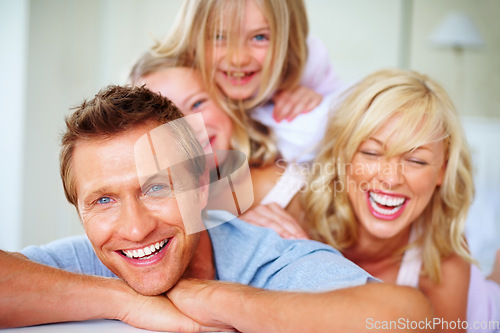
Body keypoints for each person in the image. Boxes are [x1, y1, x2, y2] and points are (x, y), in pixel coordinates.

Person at [0, 85, 433, 332]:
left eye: (156, 188)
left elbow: (407, 319)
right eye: (103, 200)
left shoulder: (272, 261)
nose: (134, 230)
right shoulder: (86, 262)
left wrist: (208, 295)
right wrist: (122, 299)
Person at [298, 69, 500, 330]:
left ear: (441, 172)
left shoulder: (443, 258)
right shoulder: (298, 212)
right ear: (343, 158)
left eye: (416, 160)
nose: (391, 178)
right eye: (372, 153)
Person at [130, 52, 308, 239]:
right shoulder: (161, 207)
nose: (192, 126)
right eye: (171, 119)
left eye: (198, 103)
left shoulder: (277, 185)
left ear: (226, 102)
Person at [152, 0, 343, 164]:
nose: (238, 59)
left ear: (289, 45)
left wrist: (313, 95)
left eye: (260, 37)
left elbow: (342, 107)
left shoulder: (311, 66)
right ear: (193, 40)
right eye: (219, 37)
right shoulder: (176, 80)